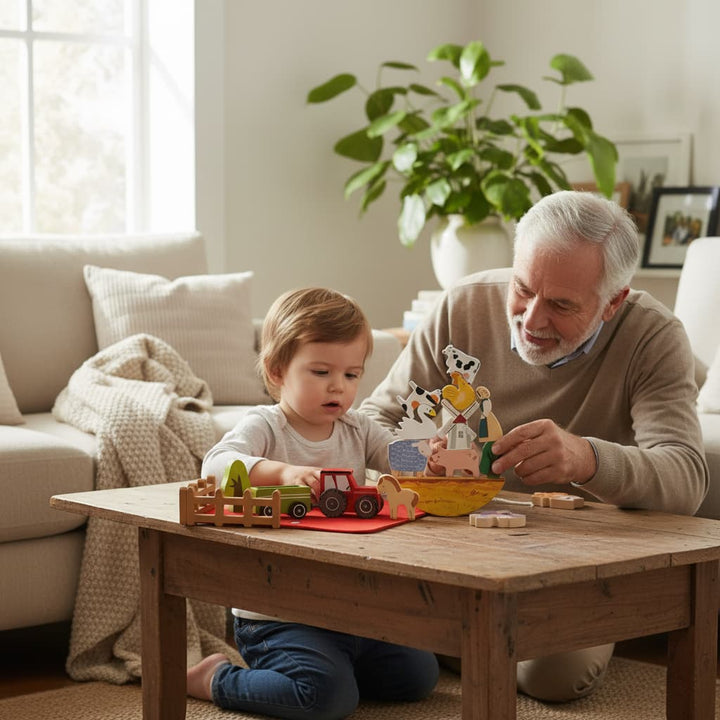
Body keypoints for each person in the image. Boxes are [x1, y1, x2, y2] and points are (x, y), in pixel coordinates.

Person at [360, 190, 709, 702]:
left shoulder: (653, 336)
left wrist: (586, 459)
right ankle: (459, 639)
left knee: (554, 675)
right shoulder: (464, 303)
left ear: (613, 301)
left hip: (571, 557)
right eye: (523, 289)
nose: (532, 319)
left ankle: (441, 638)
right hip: (451, 539)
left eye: (563, 305)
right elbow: (371, 422)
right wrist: (424, 456)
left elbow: (686, 478)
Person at [187, 287, 439, 720]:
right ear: (278, 369)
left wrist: (428, 456)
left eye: (352, 375)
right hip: (277, 614)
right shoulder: (266, 425)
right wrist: (280, 473)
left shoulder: (358, 428)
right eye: (321, 371)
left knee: (419, 676)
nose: (338, 387)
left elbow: (395, 455)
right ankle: (213, 678)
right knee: (326, 699)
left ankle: (335, 664)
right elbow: (215, 464)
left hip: (351, 608)